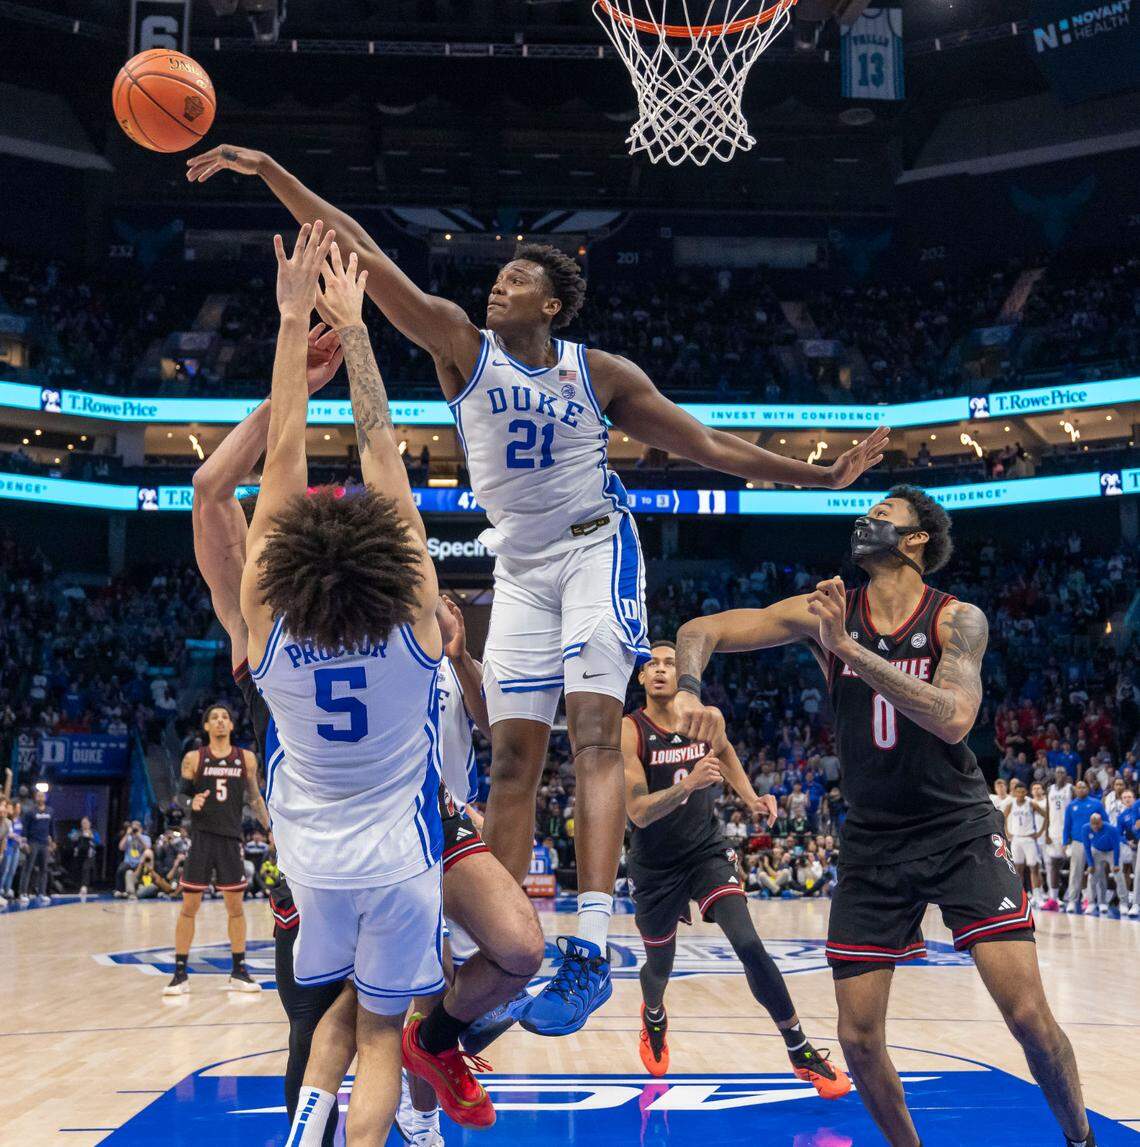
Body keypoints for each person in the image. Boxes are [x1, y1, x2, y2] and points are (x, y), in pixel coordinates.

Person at [187, 142, 891, 1035]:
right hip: (518, 565)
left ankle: (592, 948)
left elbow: (708, 446)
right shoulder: (458, 343)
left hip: (598, 547)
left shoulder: (601, 374)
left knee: (596, 728)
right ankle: (501, 955)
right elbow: (361, 247)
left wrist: (817, 478)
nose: (499, 287)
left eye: (517, 279)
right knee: (513, 756)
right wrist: (267, 172)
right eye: (500, 277)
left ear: (552, 302)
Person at [674, 486, 1095, 1147]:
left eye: (883, 516)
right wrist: (694, 692)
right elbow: (700, 631)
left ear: (917, 538)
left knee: (1027, 1014)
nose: (866, 522)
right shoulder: (828, 613)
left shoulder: (958, 618)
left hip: (958, 829)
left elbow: (954, 719)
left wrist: (847, 648)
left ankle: (1081, 1138)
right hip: (873, 837)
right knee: (858, 1038)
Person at [244, 225, 532, 1144]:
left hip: (311, 857)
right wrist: (354, 330)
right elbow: (383, 455)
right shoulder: (417, 633)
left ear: (286, 569)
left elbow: (282, 459)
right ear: (394, 568)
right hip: (396, 859)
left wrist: (294, 330)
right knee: (380, 1034)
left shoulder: (270, 637)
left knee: (334, 1018)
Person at [621, 639, 850, 1095]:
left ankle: (800, 1048)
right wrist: (687, 788)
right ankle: (653, 1016)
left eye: (671, 662)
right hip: (654, 864)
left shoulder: (704, 717)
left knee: (748, 943)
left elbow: (723, 753)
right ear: (642, 678)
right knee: (659, 967)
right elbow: (638, 813)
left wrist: (750, 798)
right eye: (654, 665)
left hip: (706, 851)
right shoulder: (630, 730)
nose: (663, 670)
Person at [164, 702, 268, 996]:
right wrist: (190, 803)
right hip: (201, 839)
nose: (221, 721)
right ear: (206, 726)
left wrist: (271, 829)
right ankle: (180, 974)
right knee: (189, 908)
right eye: (214, 718)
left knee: (235, 909)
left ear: (232, 726)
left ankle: (239, 971)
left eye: (225, 717)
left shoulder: (245, 758)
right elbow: (180, 796)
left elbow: (255, 798)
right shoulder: (194, 758)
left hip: (231, 839)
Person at [1061, 781, 1105, 915]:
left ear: (1088, 788)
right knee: (1075, 872)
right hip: (1078, 842)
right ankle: (1073, 901)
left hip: (1094, 843)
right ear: (1075, 789)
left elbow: (1106, 821)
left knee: (1095, 872)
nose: (1081, 789)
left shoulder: (1097, 803)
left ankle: (1092, 902)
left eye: (1084, 787)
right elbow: (1067, 825)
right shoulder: (1071, 806)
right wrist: (1065, 842)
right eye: (1078, 787)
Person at [1005, 781, 1045, 908]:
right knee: (1018, 870)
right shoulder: (1011, 804)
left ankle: (1038, 896)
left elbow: (1046, 815)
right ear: (1015, 792)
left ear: (1026, 792)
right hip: (1016, 839)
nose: (1021, 794)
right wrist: (1007, 833)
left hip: (1029, 839)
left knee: (1034, 868)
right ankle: (1020, 897)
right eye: (1018, 792)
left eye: (1023, 791)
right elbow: (1003, 818)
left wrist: (1040, 832)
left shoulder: (1031, 803)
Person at [1081, 812, 1127, 919]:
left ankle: (1123, 903)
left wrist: (1115, 864)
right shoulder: (1085, 829)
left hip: (1111, 851)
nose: (1095, 826)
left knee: (1118, 875)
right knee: (1093, 876)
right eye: (1093, 824)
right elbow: (1087, 847)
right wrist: (1090, 864)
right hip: (1096, 851)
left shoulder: (1111, 829)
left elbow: (1116, 847)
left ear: (1102, 821)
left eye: (1097, 823)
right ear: (1090, 823)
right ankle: (1094, 903)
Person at [1041, 768, 1074, 912]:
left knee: (1076, 865)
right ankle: (1053, 899)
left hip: (1068, 833)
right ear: (1054, 775)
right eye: (1058, 772)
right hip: (1053, 832)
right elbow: (1048, 810)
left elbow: (1073, 811)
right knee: (1054, 864)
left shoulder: (1070, 789)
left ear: (1066, 775)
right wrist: (1046, 832)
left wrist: (1072, 834)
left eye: (1062, 772)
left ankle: (1079, 898)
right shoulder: (1050, 789)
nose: (1060, 774)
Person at [18, 789, 53, 907]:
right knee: (28, 868)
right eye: (38, 795)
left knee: (44, 869)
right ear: (35, 798)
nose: (40, 797)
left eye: (42, 796)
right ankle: (23, 893)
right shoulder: (30, 811)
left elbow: (52, 828)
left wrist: (53, 842)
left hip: (44, 844)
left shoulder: (50, 811)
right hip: (33, 842)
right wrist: (24, 842)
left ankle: (42, 893)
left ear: (45, 798)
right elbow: (24, 829)